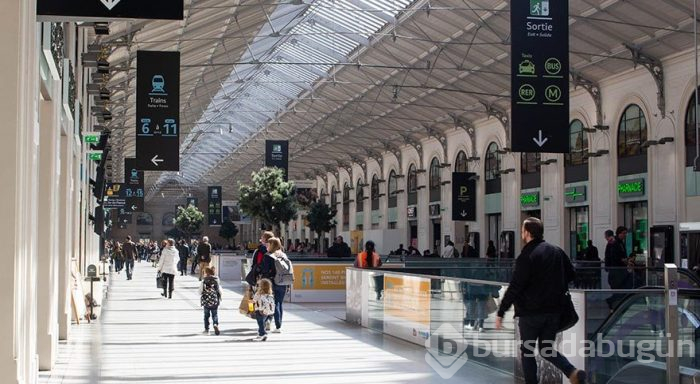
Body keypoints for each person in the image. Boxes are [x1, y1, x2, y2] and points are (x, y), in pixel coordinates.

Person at [495, 218, 586, 384]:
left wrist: (501, 311)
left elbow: (516, 286)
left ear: (528, 233)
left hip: (530, 314)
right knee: (546, 349)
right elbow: (572, 274)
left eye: (522, 231)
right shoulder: (556, 251)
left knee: (528, 351)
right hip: (554, 312)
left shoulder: (526, 255)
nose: (522, 234)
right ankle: (572, 371)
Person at [267, 237, 292, 333]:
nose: (267, 246)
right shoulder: (284, 255)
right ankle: (279, 326)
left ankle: (274, 323)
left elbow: (266, 270)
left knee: (274, 303)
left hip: (273, 282)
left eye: (269, 244)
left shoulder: (270, 256)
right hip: (283, 281)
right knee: (280, 303)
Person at [199, 267, 222, 335]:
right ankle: (215, 324)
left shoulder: (204, 281)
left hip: (206, 301)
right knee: (215, 314)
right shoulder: (216, 280)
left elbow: (200, 291)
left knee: (206, 316)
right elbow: (219, 290)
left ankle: (207, 329)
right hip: (215, 301)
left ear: (206, 273)